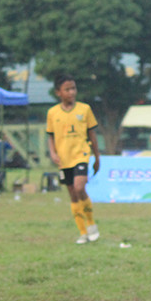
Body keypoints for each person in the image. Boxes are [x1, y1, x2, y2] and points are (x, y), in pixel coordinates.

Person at [47, 75, 102, 243]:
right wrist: (53, 153)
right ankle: (83, 232)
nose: (72, 92)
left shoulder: (84, 109)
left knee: (79, 187)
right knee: (72, 194)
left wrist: (97, 157)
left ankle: (91, 223)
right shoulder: (52, 113)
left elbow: (92, 135)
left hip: (81, 154)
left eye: (73, 88)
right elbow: (50, 135)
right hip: (64, 159)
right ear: (58, 93)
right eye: (67, 89)